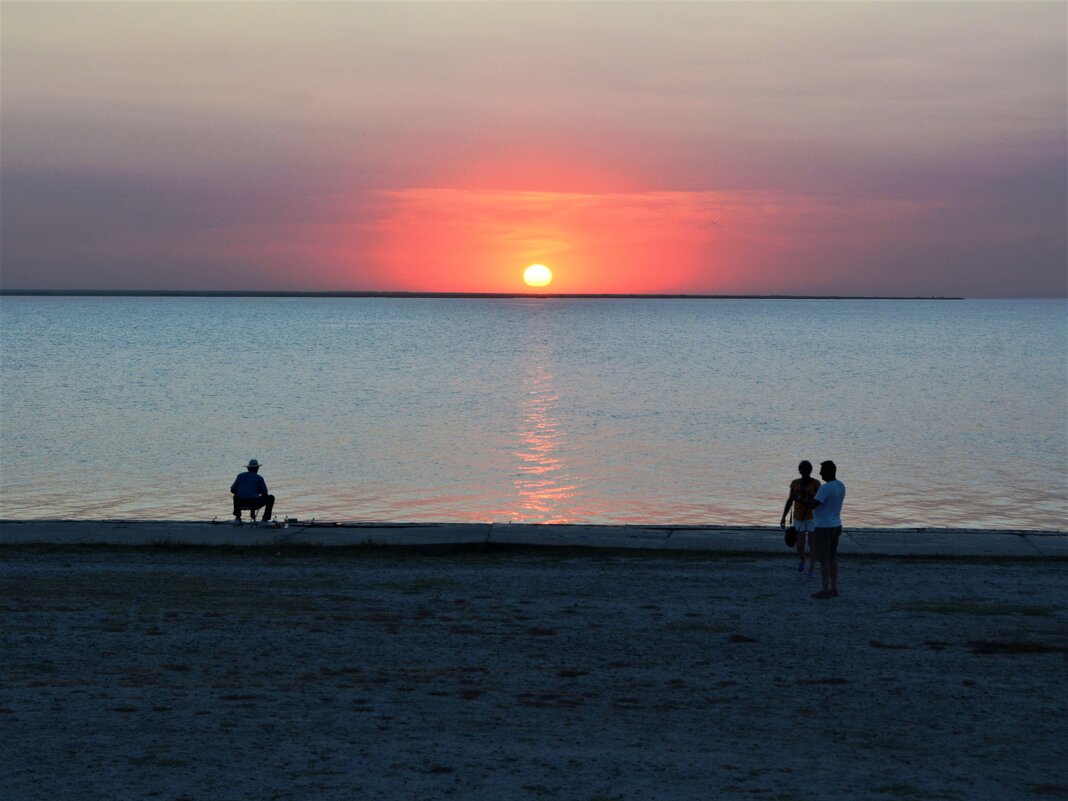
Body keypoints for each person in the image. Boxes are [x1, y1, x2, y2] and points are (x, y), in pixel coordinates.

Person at [809, 460, 846, 599]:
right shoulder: (841, 485)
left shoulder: (825, 488)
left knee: (824, 560)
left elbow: (814, 505)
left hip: (823, 527)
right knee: (832, 558)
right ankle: (834, 588)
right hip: (836, 525)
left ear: (829, 471)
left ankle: (825, 589)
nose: (820, 473)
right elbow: (827, 502)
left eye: (822, 470)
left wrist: (799, 499)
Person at [780, 460, 820, 576]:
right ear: (800, 470)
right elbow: (790, 500)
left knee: (812, 543)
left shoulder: (816, 483)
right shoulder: (795, 483)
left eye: (808, 468)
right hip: (798, 517)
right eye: (803, 468)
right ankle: (802, 559)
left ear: (811, 470)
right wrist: (783, 517)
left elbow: (819, 500)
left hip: (813, 517)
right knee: (799, 544)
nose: (806, 471)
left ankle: (811, 569)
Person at [230, 458, 275, 525]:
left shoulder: (240, 476)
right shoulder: (259, 478)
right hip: (254, 503)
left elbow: (232, 490)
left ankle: (238, 518)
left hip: (240, 503)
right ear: (257, 468)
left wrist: (243, 493)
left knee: (236, 496)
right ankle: (264, 520)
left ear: (248, 468)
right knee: (271, 498)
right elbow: (265, 494)